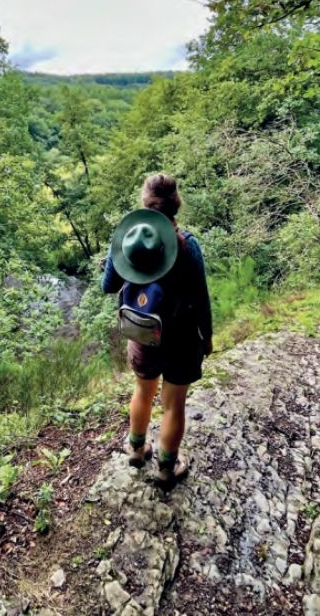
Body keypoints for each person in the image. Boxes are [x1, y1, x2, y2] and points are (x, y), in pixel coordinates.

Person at [101, 173, 213, 485]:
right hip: (182, 340)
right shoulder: (188, 246)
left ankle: (136, 450)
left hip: (143, 335)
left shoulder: (126, 240)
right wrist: (208, 336)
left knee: (142, 390)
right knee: (173, 403)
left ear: (145, 203)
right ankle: (167, 466)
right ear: (176, 205)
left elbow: (107, 286)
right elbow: (201, 299)